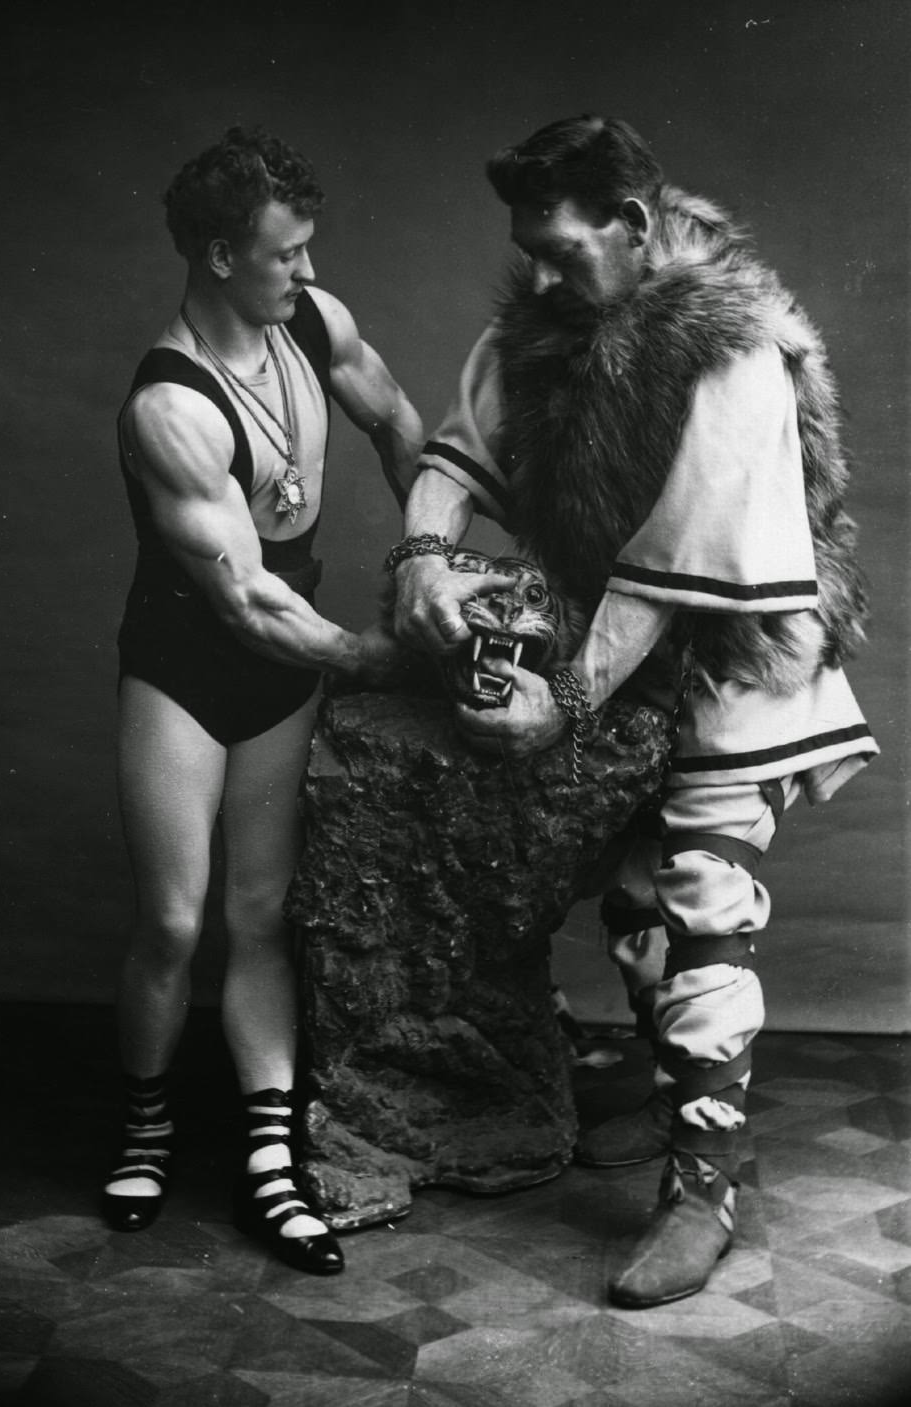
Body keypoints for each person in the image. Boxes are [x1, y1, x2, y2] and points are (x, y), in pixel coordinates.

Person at [390, 115, 878, 1307]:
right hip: (614, 652)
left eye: (563, 248)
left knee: (698, 896)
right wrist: (419, 557)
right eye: (531, 251)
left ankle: (703, 1183)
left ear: (634, 225)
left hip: (730, 662)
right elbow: (461, 454)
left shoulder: (735, 350)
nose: (543, 274)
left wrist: (561, 705)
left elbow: (678, 568)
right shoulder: (548, 325)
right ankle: (684, 1114)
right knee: (634, 905)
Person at [103, 125, 428, 1277]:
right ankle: (143, 1129)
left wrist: (429, 558)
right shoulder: (171, 404)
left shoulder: (314, 320)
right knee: (175, 922)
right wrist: (382, 657)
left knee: (259, 916)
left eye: (307, 247)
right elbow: (241, 600)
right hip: (190, 661)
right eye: (285, 252)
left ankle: (269, 1161)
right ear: (218, 254)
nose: (305, 268)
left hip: (291, 651)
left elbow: (397, 426)